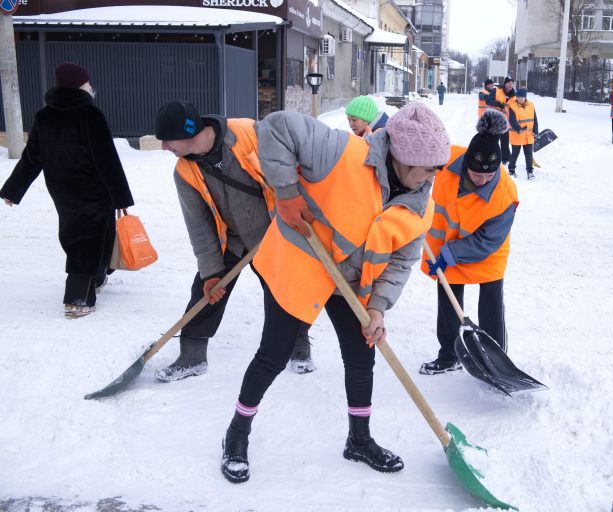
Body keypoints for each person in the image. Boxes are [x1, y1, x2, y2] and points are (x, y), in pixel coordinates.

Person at [219, 102, 451, 484]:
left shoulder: (420, 204)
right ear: (403, 157)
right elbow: (276, 127)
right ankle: (237, 432)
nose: (432, 177)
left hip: (352, 282)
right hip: (303, 262)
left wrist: (377, 308)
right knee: (273, 355)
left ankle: (359, 440)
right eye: (427, 168)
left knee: (362, 355)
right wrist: (288, 191)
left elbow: (400, 263)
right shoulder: (342, 151)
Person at [153, 100, 314, 381]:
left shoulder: (249, 134)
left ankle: (298, 346)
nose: (165, 147)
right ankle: (192, 355)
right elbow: (199, 226)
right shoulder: (184, 171)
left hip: (278, 232)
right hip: (235, 239)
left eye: (168, 140)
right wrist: (212, 272)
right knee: (206, 290)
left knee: (286, 292)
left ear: (189, 132)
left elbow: (292, 167)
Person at [0, 62, 134, 318]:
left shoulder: (44, 116)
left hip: (61, 189)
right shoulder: (89, 115)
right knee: (85, 239)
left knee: (101, 232)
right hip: (93, 188)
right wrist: (121, 197)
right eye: (87, 82)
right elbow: (106, 158)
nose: (90, 86)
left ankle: (97, 277)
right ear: (80, 85)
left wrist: (12, 190)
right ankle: (77, 298)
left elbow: (32, 158)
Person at [419, 109, 518, 375]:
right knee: (448, 297)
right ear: (465, 166)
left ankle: (497, 361)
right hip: (446, 244)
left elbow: (487, 241)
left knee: (491, 301)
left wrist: (450, 254)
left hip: (487, 250)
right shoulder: (448, 160)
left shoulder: (504, 194)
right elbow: (417, 164)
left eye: (489, 176)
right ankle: (449, 355)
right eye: (477, 175)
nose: (483, 180)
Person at [508, 87, 538, 180]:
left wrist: (535, 130)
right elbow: (512, 120)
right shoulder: (512, 107)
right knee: (515, 154)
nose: (520, 99)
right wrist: (518, 129)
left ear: (525, 97)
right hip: (517, 135)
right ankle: (511, 170)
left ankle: (530, 172)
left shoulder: (531, 105)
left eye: (522, 97)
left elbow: (535, 119)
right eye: (518, 97)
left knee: (529, 155)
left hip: (528, 135)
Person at [484, 76, 516, 166]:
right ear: (505, 83)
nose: (510, 85)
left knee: (505, 140)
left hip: (506, 121)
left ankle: (505, 158)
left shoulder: (514, 94)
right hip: (496, 120)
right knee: (494, 140)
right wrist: (498, 103)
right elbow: (488, 100)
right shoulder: (497, 90)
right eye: (509, 83)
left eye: (512, 83)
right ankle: (491, 157)